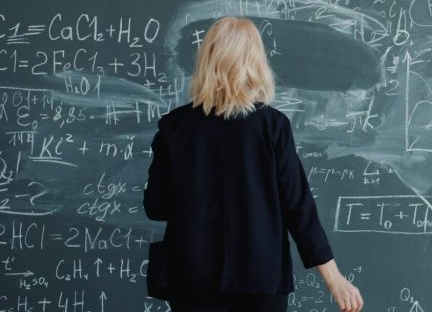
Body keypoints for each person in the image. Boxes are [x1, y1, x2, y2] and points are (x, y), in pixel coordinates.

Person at [143, 16, 364, 312]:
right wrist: (334, 279)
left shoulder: (174, 127)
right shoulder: (273, 126)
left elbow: (156, 207)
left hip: (191, 280)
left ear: (206, 59)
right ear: (254, 61)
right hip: (261, 279)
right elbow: (298, 206)